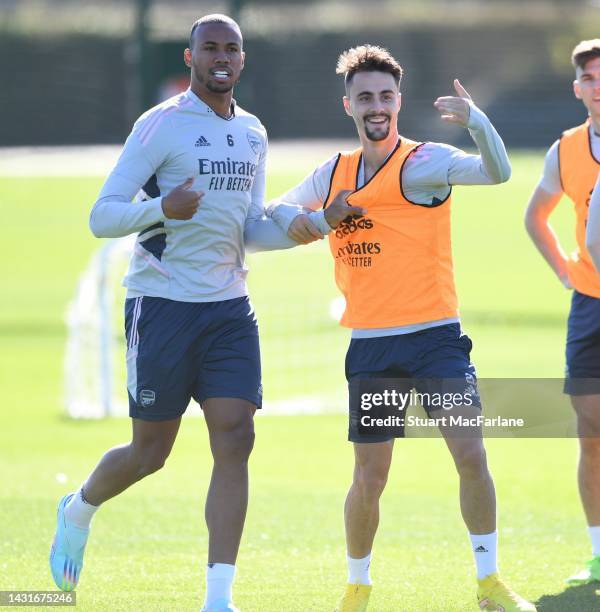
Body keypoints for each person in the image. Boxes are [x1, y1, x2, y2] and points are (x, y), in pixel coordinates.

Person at [49, 14, 304, 612]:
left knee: (236, 437)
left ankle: (219, 598)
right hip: (161, 306)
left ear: (243, 60)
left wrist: (307, 228)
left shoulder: (254, 133)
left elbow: (249, 229)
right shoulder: (159, 126)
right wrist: (163, 207)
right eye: (209, 47)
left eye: (232, 48)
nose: (222, 57)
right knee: (150, 454)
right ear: (190, 57)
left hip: (229, 309)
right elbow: (102, 216)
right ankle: (80, 506)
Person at [267, 45, 536, 611]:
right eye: (365, 97)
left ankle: (488, 582)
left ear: (398, 101)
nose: (377, 106)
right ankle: (357, 586)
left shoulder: (425, 162)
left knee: (471, 456)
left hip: (436, 338)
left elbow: (498, 171)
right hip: (370, 345)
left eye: (386, 96)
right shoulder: (332, 174)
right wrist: (315, 221)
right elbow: (272, 210)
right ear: (349, 105)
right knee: (370, 477)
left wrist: (479, 122)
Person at [525, 39, 600, 586]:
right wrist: (563, 270)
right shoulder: (566, 149)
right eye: (590, 79)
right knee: (590, 431)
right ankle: (599, 552)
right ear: (578, 89)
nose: (599, 87)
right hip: (590, 304)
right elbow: (536, 216)